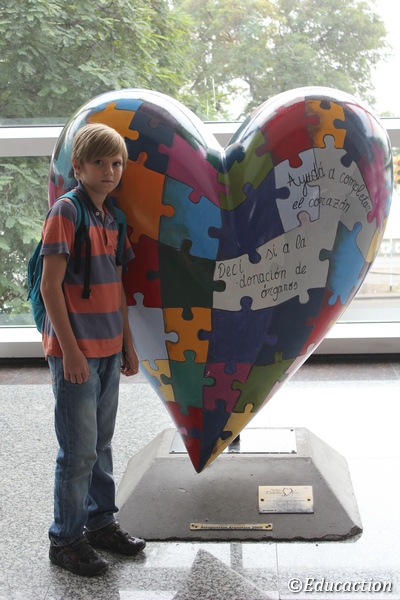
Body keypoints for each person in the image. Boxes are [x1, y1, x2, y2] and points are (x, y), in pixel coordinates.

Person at [40, 123, 145, 577]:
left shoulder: (112, 217)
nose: (109, 170)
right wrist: (71, 352)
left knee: (100, 444)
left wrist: (127, 343)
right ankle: (65, 539)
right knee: (78, 450)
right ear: (78, 167)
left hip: (107, 348)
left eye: (116, 163)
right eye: (99, 162)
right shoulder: (67, 211)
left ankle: (101, 523)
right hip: (75, 353)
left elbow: (117, 286)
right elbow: (50, 286)